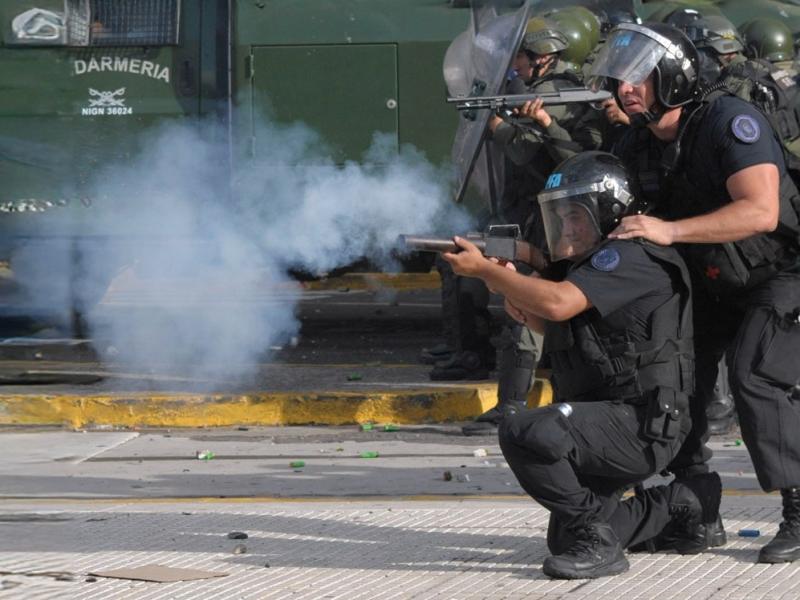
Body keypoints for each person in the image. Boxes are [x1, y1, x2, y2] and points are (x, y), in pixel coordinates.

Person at [442, 151, 721, 579]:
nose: (566, 229)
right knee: (563, 540)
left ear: (607, 212)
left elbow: (557, 304)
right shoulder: (591, 267)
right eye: (560, 218)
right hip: (613, 418)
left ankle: (599, 538)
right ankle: (683, 503)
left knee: (523, 430)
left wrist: (487, 273)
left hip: (642, 422)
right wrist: (511, 285)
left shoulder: (629, 257)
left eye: (575, 218)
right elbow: (548, 319)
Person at [589, 21, 800, 563]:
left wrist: (670, 230)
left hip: (782, 272)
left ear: (674, 78)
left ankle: (799, 511)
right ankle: (696, 511)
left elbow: (761, 211)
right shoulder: (635, 142)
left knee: (756, 375)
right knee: (676, 383)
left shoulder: (731, 121)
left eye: (639, 78)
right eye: (620, 80)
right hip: (710, 278)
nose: (626, 89)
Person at [461, 16, 604, 434]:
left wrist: (502, 127)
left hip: (556, 216)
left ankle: (514, 404)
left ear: (542, 57)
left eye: (521, 58)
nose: (516, 67)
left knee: (529, 305)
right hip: (548, 214)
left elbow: (537, 156)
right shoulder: (554, 91)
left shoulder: (557, 95)